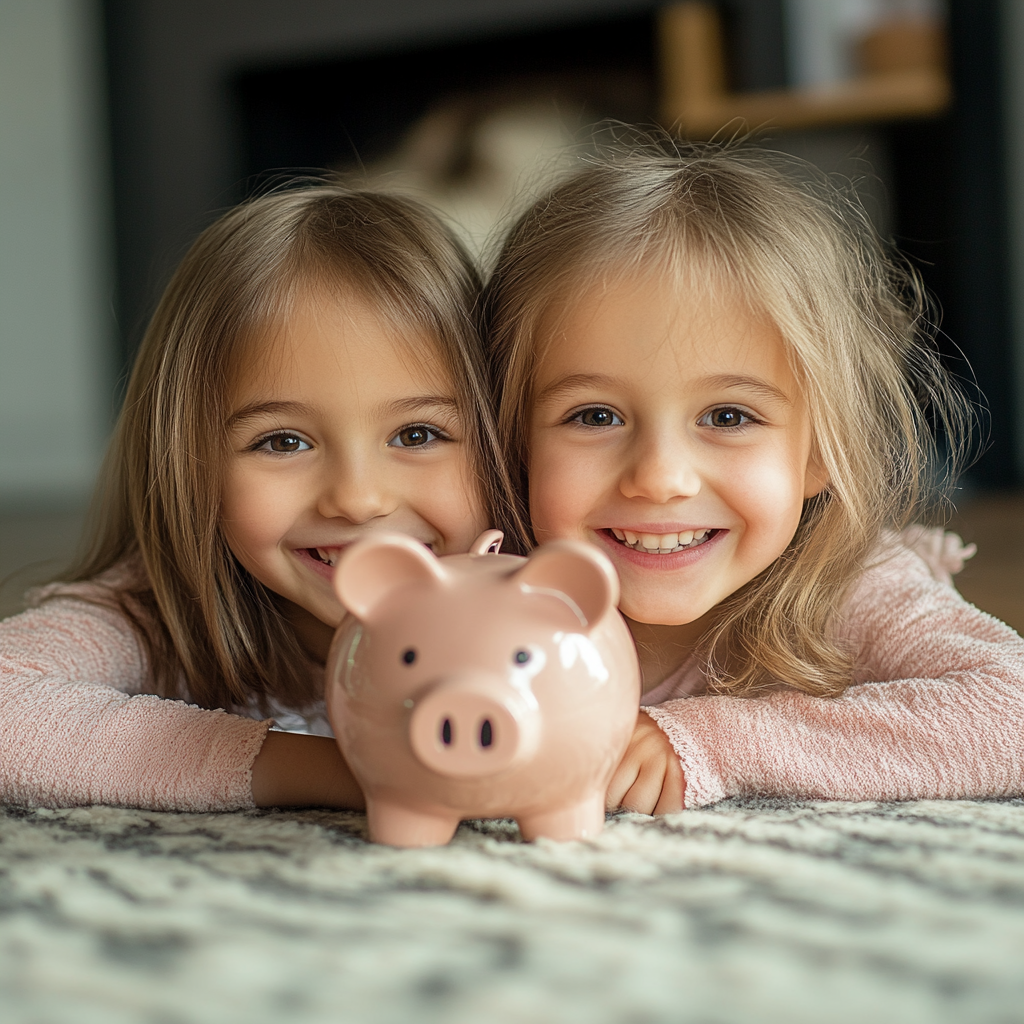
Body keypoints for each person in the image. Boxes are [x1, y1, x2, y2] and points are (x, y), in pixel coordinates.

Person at [482, 144, 1024, 815]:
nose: (660, 478)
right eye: (594, 415)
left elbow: (1013, 711)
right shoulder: (491, 585)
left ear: (821, 450)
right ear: (514, 441)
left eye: (728, 415)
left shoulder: (850, 587)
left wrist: (718, 740)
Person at [0, 184, 523, 812]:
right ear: (189, 463)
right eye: (282, 442)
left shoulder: (544, 595)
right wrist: (348, 772)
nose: (357, 500)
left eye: (417, 434)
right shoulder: (158, 618)